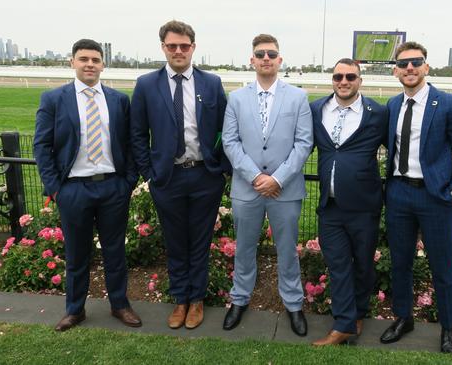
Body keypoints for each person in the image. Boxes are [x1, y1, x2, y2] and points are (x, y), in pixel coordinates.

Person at [34, 39, 141, 331]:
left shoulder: (119, 100)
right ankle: (75, 309)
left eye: (95, 59)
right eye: (84, 59)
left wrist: (128, 181)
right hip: (73, 190)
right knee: (77, 254)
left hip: (112, 188)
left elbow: (130, 143)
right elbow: (42, 146)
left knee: (114, 251)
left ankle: (120, 305)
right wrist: (56, 189)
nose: (90, 64)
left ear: (103, 64)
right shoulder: (54, 99)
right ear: (72, 62)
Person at [130, 20, 230, 330]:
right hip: (167, 178)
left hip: (204, 177)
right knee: (175, 242)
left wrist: (222, 169)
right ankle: (180, 299)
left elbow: (227, 129)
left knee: (199, 243)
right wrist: (150, 173)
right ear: (163, 47)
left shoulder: (211, 83)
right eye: (172, 46)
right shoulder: (146, 84)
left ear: (193, 48)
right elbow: (136, 134)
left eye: (183, 46)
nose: (178, 51)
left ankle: (197, 300)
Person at [381, 41, 452, 354]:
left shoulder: (449, 103)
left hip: (435, 198)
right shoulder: (393, 106)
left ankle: (448, 328)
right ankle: (403, 318)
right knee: (401, 264)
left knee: (442, 268)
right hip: (398, 195)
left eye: (416, 62)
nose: (410, 68)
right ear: (396, 70)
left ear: (426, 67)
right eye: (404, 63)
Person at [221, 34, 312, 336]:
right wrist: (256, 177)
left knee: (287, 250)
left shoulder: (297, 97)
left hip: (285, 190)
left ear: (279, 59)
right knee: (244, 248)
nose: (266, 58)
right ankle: (240, 299)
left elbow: (304, 143)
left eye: (271, 54)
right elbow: (230, 142)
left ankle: (294, 304)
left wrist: (277, 178)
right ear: (252, 60)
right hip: (247, 189)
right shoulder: (236, 98)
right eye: (260, 54)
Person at [309, 58, 388, 345]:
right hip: (329, 207)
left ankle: (358, 313)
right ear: (332, 79)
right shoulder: (316, 109)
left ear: (360, 81)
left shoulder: (377, 113)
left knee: (363, 264)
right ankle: (343, 323)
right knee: (338, 264)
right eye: (338, 76)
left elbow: (399, 147)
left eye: (350, 77)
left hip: (364, 205)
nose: (344, 81)